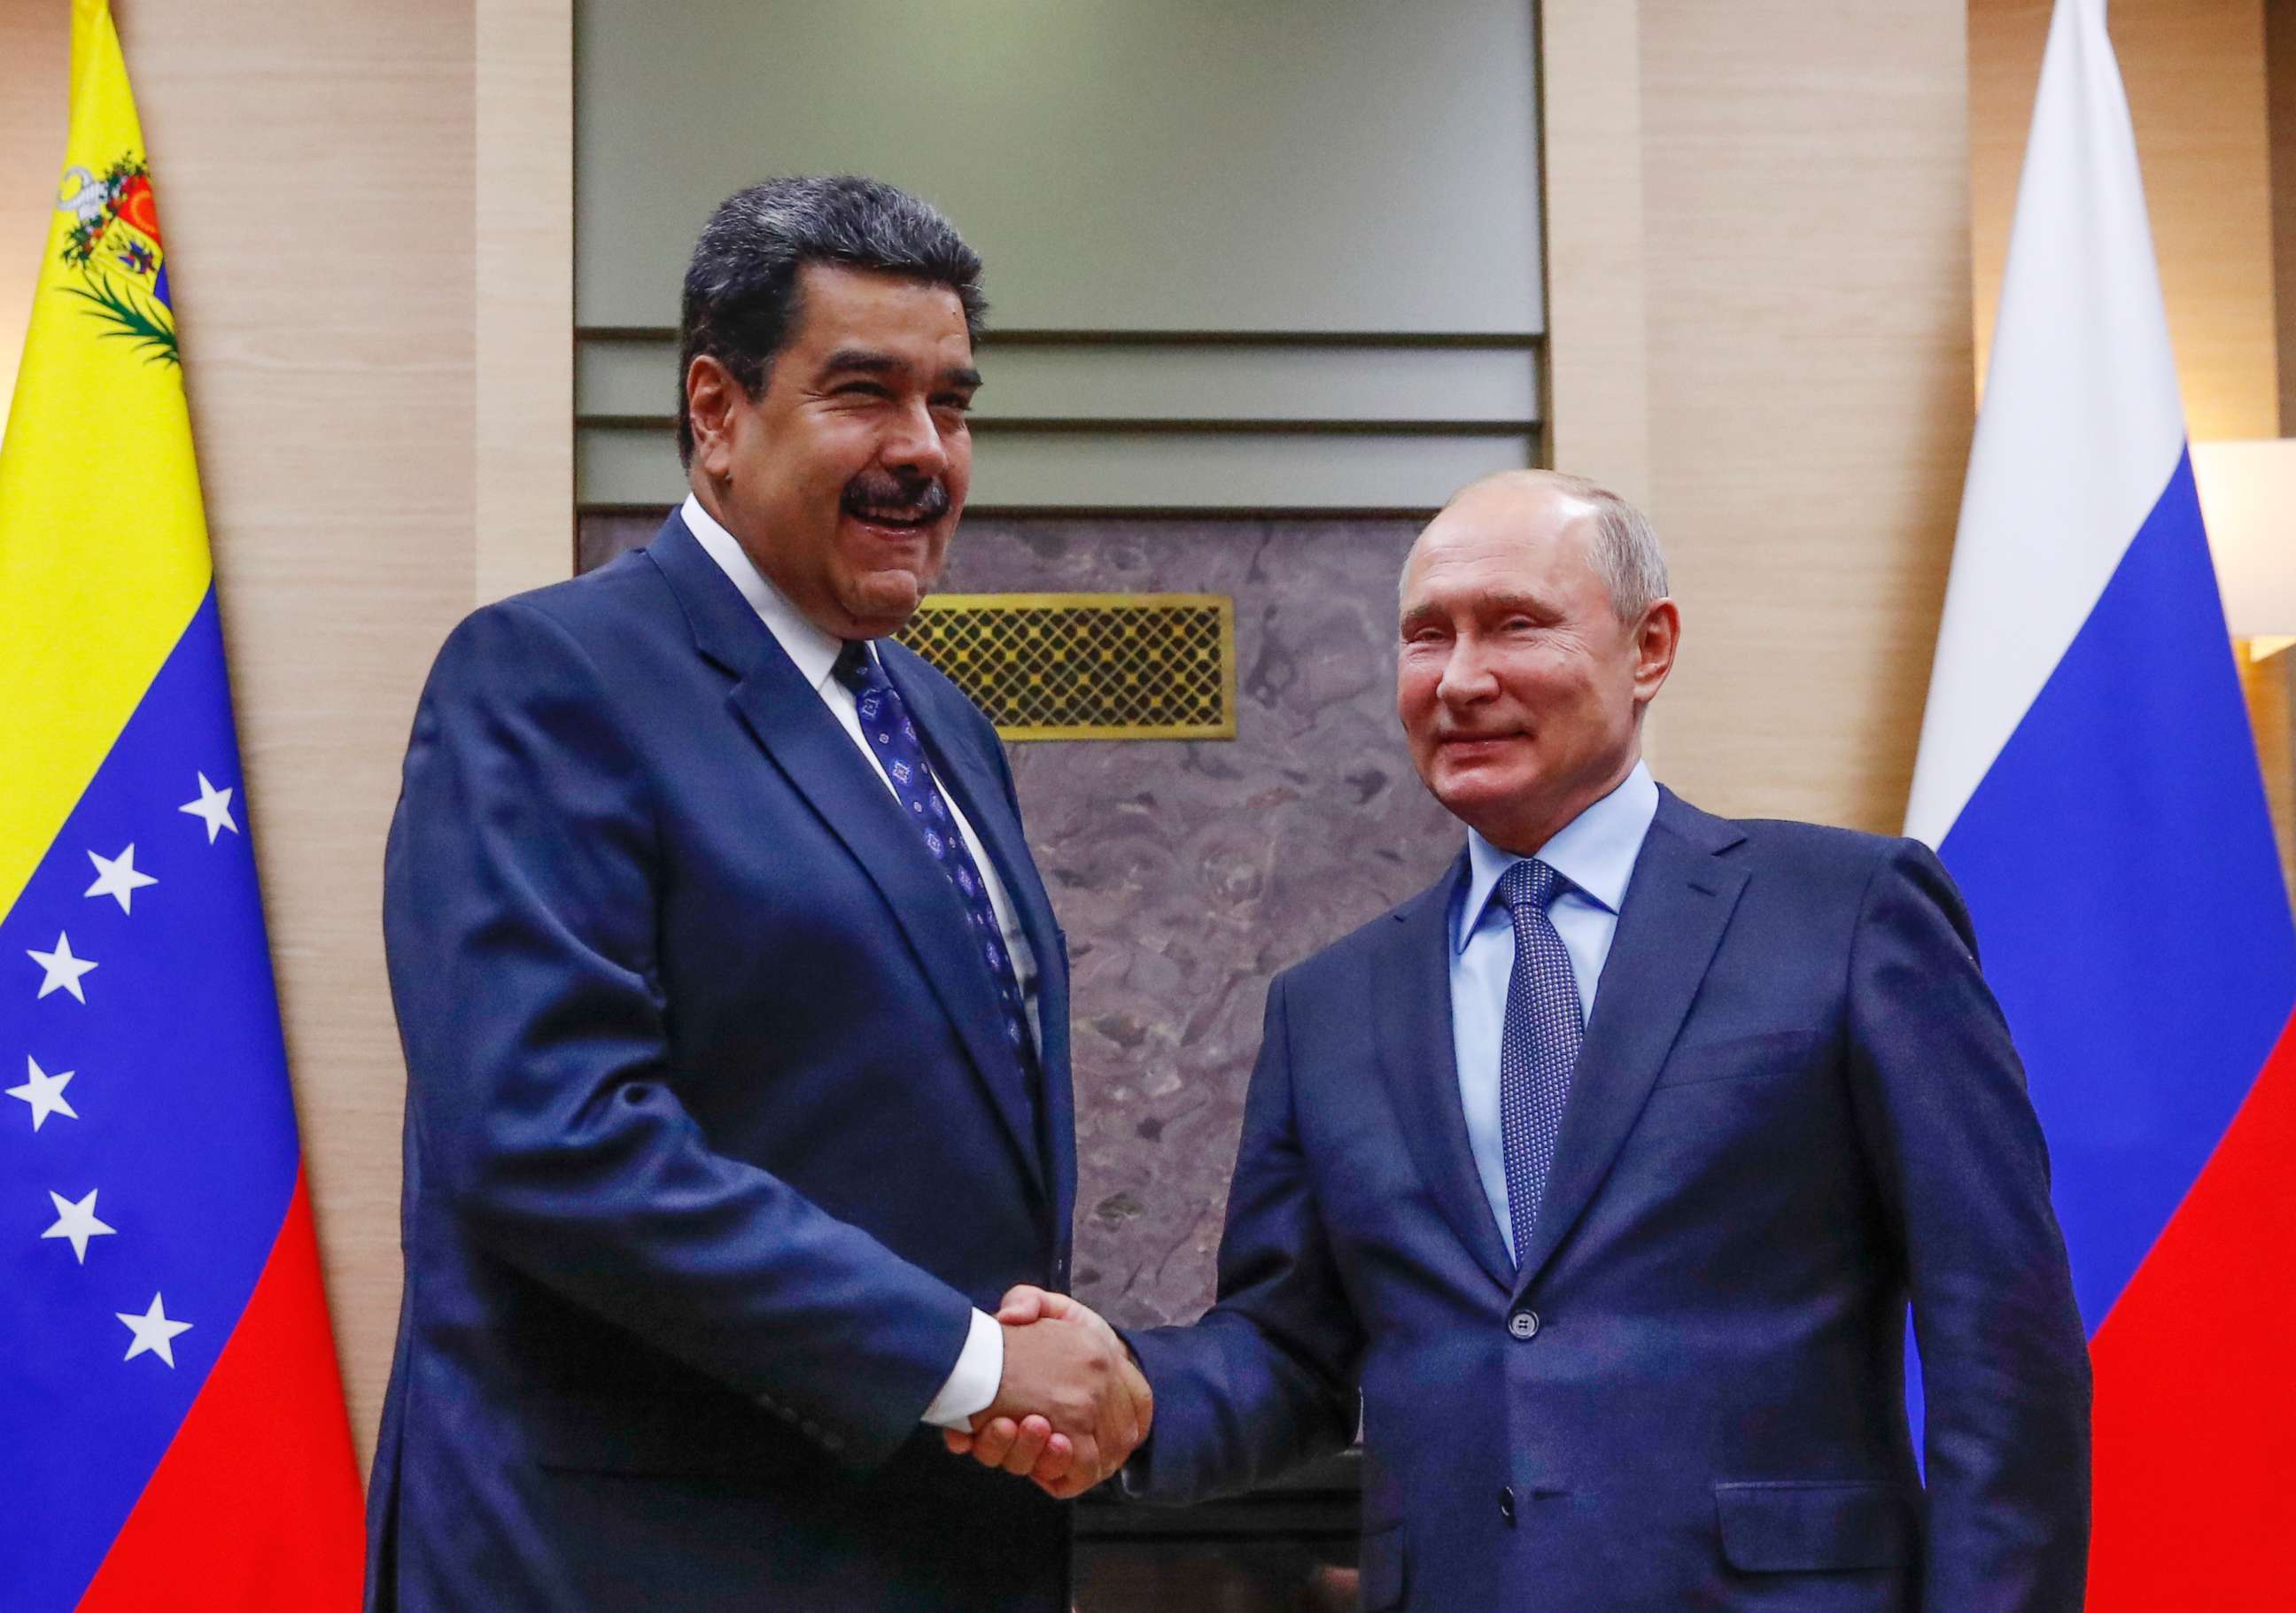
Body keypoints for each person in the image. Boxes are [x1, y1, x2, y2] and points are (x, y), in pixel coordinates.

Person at [961, 470, 2091, 1609]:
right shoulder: (1330, 1003)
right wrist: (1134, 1389)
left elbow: (2001, 1343)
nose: (1460, 679)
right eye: (1425, 637)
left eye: (1514, 625)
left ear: (1650, 649)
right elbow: (1294, 1357)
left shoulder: (1846, 914)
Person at [368, 175, 1147, 1613]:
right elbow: (552, 1138)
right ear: (717, 413)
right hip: (639, 1564)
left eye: (953, 405)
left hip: (917, 1546)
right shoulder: (549, 680)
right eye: (866, 394)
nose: (924, 452)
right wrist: (971, 1364)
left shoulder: (943, 722)